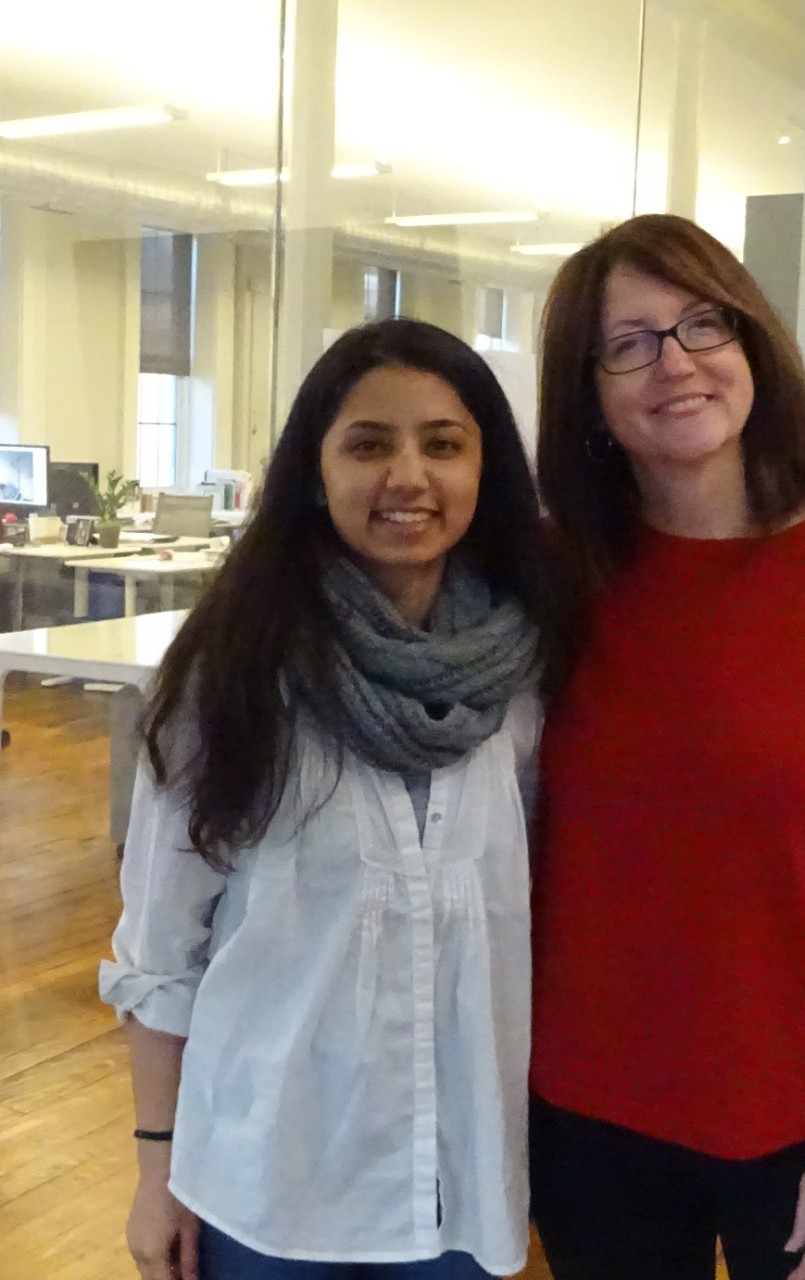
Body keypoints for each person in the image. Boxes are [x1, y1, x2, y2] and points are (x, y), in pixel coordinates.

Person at [529, 214, 805, 1280]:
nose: (675, 362)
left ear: (752, 342)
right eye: (628, 343)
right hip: (592, 1124)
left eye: (703, 323)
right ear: (586, 391)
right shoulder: (555, 574)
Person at [99, 318, 554, 1280]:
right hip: (267, 1179)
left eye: (443, 444)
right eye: (368, 444)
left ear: (486, 471)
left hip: (456, 1177)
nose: (408, 477)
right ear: (313, 472)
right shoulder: (230, 675)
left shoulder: (528, 677)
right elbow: (160, 949)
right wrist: (153, 1169)